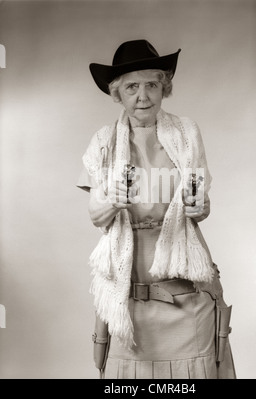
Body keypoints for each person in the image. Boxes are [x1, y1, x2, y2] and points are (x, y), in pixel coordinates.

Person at [77, 39, 236, 379]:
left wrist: (200, 205)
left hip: (185, 289)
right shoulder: (103, 143)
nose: (143, 96)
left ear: (165, 87)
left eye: (152, 84)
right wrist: (112, 200)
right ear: (117, 93)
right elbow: (96, 216)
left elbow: (200, 206)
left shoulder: (186, 133)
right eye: (132, 87)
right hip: (127, 294)